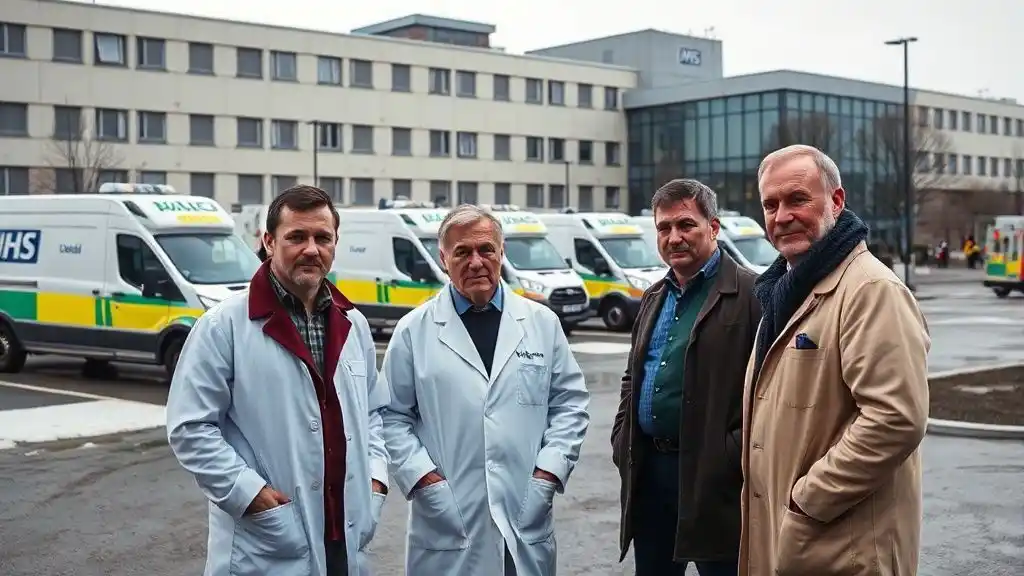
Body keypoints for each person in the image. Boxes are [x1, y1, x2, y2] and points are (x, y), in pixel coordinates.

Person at [166, 185, 390, 576]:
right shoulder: (225, 326)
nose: (311, 249)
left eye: (323, 238)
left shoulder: (353, 324)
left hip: (346, 533)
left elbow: (373, 414)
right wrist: (248, 494)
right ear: (269, 242)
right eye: (296, 237)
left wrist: (374, 482)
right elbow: (190, 427)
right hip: (270, 539)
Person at [741, 145, 930, 576]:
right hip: (795, 541)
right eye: (770, 204)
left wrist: (806, 501)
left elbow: (896, 419)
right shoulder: (782, 293)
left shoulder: (870, 290)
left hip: (843, 547)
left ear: (837, 201)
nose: (781, 215)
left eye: (797, 199)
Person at [379, 204, 590, 576]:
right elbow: (391, 416)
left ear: (501, 252)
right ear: (443, 258)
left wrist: (548, 474)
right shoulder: (414, 331)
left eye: (485, 249)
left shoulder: (542, 323)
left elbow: (569, 404)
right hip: (449, 518)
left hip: (525, 510)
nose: (476, 261)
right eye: (462, 252)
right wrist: (423, 479)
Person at [611, 179, 761, 576]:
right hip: (651, 474)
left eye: (686, 225)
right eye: (664, 228)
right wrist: (622, 435)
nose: (674, 237)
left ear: (713, 228)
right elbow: (633, 375)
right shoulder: (654, 296)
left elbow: (769, 391)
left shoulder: (752, 295)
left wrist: (732, 454)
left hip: (716, 480)